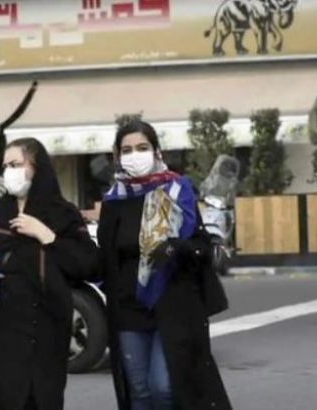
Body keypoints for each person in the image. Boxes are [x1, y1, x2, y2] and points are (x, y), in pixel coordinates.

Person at [97, 120, 232, 410]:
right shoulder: (114, 201)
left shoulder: (178, 191)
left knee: (164, 388)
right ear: (117, 156)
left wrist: (175, 247)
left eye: (142, 147)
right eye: (127, 150)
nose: (135, 155)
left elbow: (200, 244)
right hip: (128, 307)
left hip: (173, 304)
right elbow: (105, 255)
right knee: (139, 391)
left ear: (157, 151)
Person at [0, 138, 98, 410]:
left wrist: (46, 235)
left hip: (46, 331)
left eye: (16, 164)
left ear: (37, 167)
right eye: (5, 166)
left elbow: (88, 265)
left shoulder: (63, 214)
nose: (9, 172)